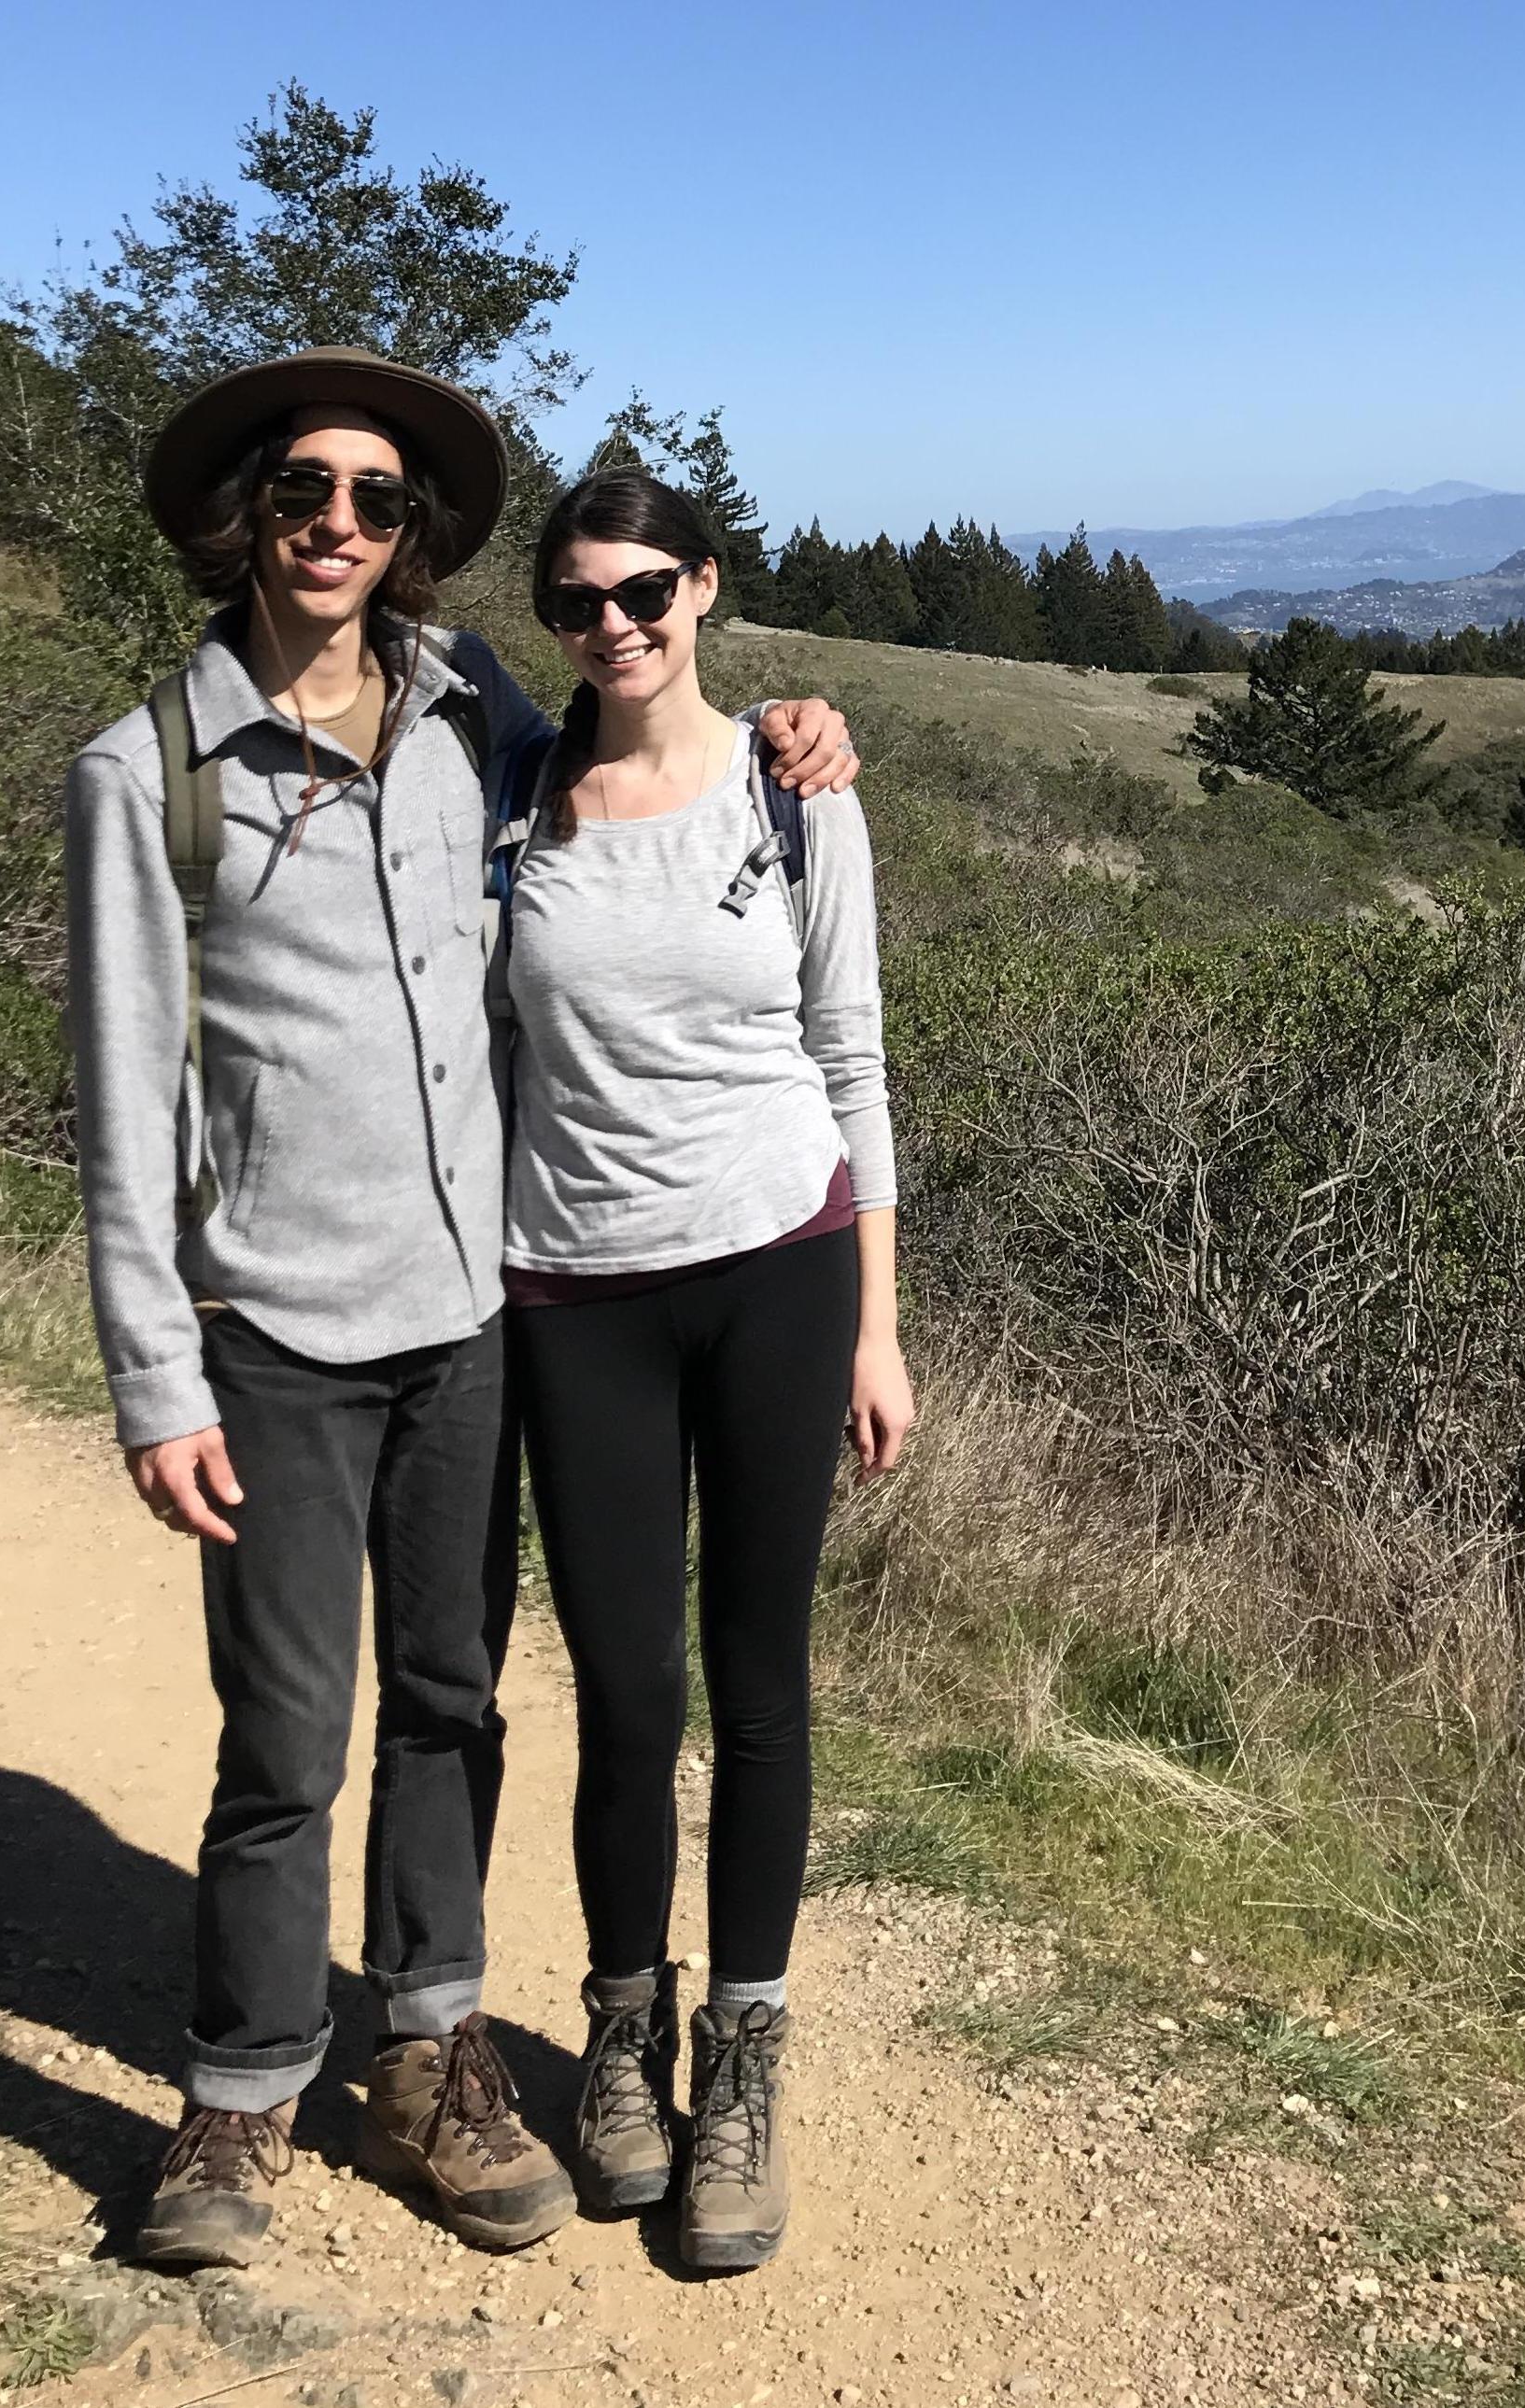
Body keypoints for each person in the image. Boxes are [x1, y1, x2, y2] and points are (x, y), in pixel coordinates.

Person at [64, 348, 857, 2270]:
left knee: (452, 1704)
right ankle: (240, 2097)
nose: (337, 522)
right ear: (243, 515)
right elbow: (118, 1094)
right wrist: (154, 1371)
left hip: (471, 1315)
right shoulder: (144, 771)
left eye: (376, 500)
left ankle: (432, 2053)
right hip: (268, 1321)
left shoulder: (465, 723)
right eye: (302, 492)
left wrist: (802, 732)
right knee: (287, 1734)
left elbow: (653, 768)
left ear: (413, 540)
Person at [501, 467, 914, 2271]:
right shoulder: (511, 795)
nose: (616, 624)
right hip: (575, 1291)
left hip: (780, 1272)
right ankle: (618, 2039)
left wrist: (881, 1326)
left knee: (760, 1682)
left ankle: (739, 2056)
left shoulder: (797, 790)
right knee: (622, 1687)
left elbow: (856, 1059)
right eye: (581, 600)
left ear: (706, 589)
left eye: (645, 589)